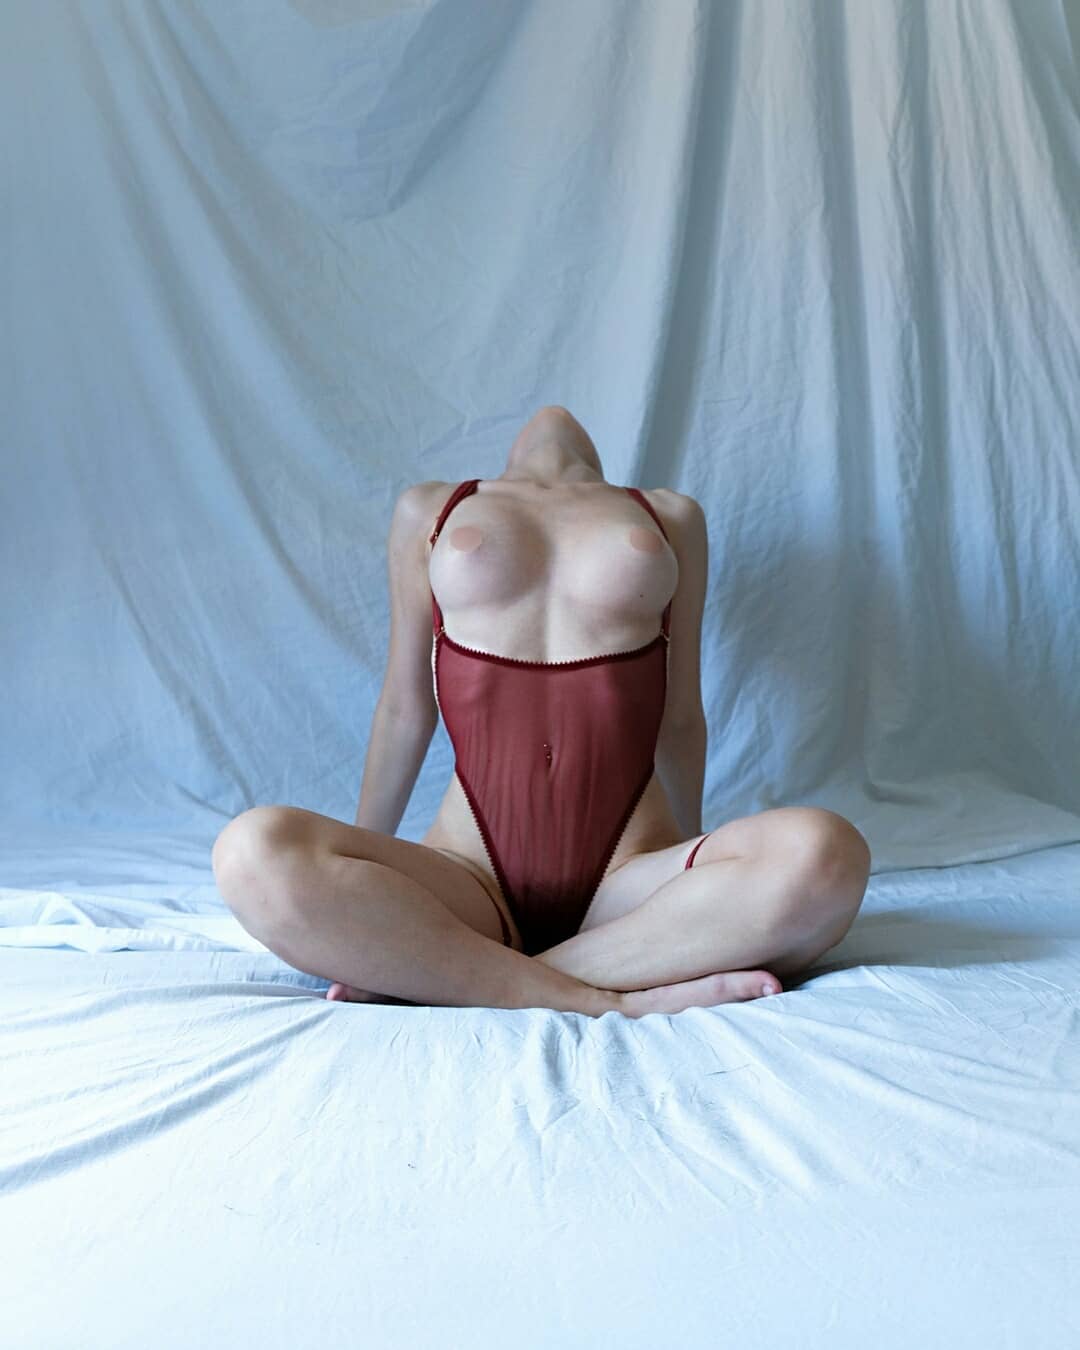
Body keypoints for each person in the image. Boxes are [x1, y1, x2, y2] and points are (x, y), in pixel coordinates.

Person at [212, 406, 871, 1017]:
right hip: (470, 875)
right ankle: (610, 999)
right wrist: (367, 869)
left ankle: (446, 971)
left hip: (627, 878)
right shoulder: (430, 510)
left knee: (827, 853)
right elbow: (405, 708)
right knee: (252, 851)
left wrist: (695, 892)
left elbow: (680, 717)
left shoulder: (672, 516)